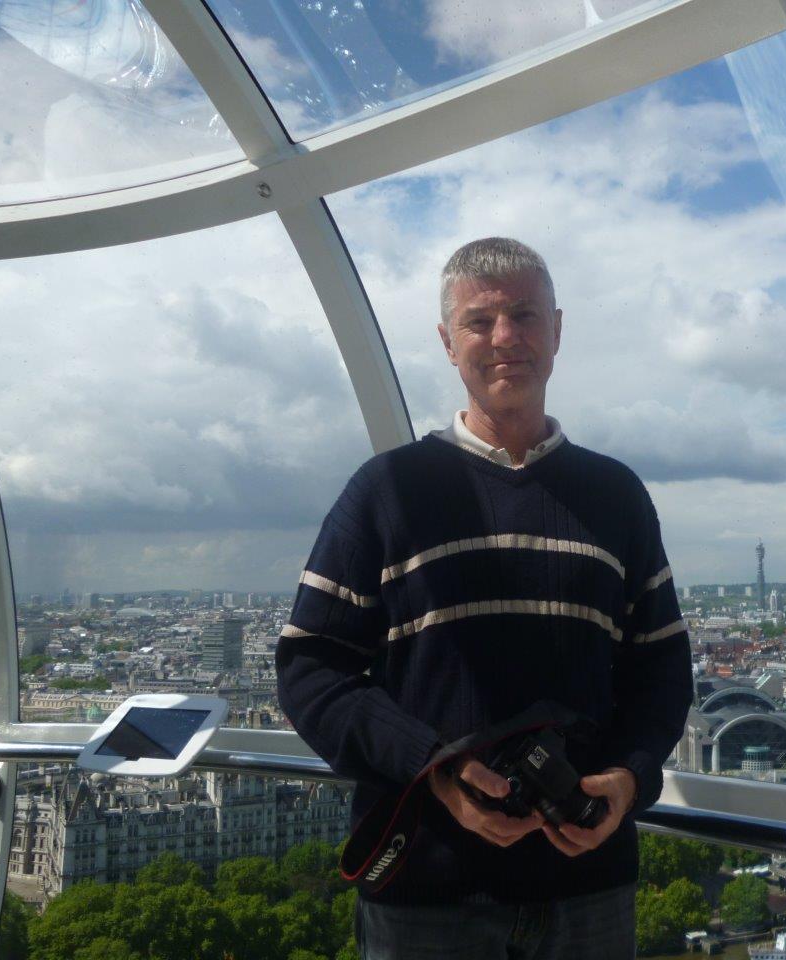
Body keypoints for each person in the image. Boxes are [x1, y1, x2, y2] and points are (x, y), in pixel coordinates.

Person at [276, 237, 694, 959]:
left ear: (557, 331)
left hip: (588, 887)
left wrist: (628, 780)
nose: (506, 338)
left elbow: (661, 670)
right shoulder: (385, 492)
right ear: (447, 342)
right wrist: (433, 767)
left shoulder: (618, 495)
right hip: (429, 891)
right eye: (480, 321)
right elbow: (309, 669)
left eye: (525, 315)